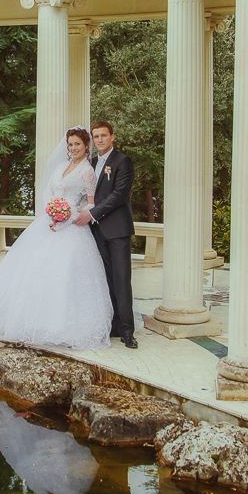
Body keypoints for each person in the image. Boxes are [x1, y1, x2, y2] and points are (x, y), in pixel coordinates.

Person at [0, 126, 113, 350]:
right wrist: (52, 211)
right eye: (70, 144)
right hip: (48, 223)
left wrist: (67, 214)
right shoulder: (60, 166)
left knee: (63, 275)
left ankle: (61, 327)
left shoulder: (88, 171)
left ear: (87, 145)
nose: (73, 148)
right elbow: (48, 191)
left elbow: (92, 203)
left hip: (73, 226)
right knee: (33, 270)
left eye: (78, 144)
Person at [73, 121, 137, 348]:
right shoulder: (91, 162)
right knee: (104, 279)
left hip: (117, 229)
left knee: (121, 279)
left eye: (103, 136)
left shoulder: (122, 161)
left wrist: (92, 214)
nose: (99, 140)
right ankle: (113, 324)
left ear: (112, 137)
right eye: (96, 136)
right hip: (96, 231)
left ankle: (128, 331)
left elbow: (119, 194)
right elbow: (87, 194)